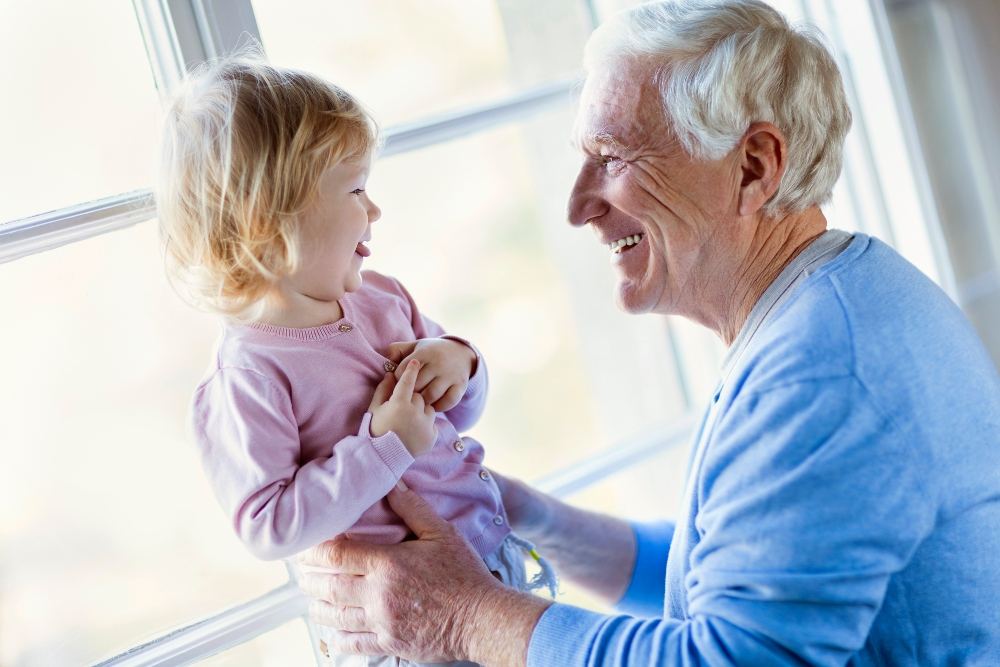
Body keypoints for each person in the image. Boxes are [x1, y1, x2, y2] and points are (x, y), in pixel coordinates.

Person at [296, 1, 1000, 665]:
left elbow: (726, 656)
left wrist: (465, 613)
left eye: (612, 156)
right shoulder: (830, 301)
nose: (576, 206)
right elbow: (725, 575)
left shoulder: (824, 369)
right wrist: (522, 514)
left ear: (754, 167)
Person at [155, 57, 556, 667]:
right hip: (397, 633)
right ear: (272, 219)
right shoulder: (248, 377)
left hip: (491, 572)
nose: (375, 210)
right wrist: (385, 446)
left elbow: (462, 417)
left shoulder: (383, 296)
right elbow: (272, 526)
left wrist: (461, 364)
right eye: (356, 188)